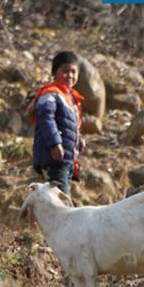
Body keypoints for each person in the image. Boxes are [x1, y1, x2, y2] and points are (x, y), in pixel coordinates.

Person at [32, 51, 86, 195]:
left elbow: (70, 127)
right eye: (65, 71)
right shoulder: (50, 93)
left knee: (61, 198)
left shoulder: (71, 98)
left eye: (73, 72)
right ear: (55, 72)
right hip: (54, 158)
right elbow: (46, 118)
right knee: (60, 200)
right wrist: (55, 144)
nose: (70, 75)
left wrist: (78, 140)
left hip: (66, 160)